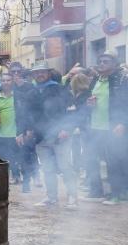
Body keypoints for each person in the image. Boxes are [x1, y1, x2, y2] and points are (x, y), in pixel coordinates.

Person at [28, 62, 76, 207]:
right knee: (47, 168)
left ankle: (73, 197)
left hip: (60, 135)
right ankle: (51, 197)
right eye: (36, 73)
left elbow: (71, 110)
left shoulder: (60, 89)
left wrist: (66, 129)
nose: (39, 75)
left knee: (65, 166)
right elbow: (29, 114)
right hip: (41, 137)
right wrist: (28, 130)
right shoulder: (32, 92)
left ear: (49, 73)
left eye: (42, 72)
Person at [83, 53, 128, 204]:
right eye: (100, 61)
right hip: (95, 127)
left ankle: (116, 194)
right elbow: (88, 100)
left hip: (113, 127)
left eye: (105, 62)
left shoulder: (121, 80)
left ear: (114, 64)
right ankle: (96, 192)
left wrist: (122, 123)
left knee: (113, 161)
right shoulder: (95, 79)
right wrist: (89, 104)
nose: (101, 64)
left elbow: (125, 104)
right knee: (91, 158)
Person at [0, 71, 24, 185]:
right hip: (0, 131)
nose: (6, 82)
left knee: (14, 157)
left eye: (8, 80)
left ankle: (16, 176)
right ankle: (0, 178)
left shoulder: (18, 94)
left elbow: (24, 113)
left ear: (12, 81)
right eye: (3, 80)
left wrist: (23, 131)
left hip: (15, 132)